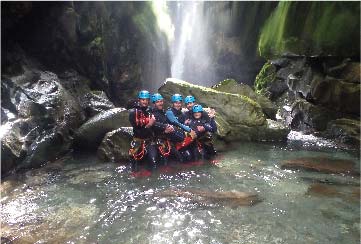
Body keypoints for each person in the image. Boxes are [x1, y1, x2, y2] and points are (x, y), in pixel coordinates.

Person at [128, 90, 159, 172]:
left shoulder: (150, 111)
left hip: (149, 141)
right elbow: (139, 131)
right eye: (143, 100)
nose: (145, 102)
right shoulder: (133, 113)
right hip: (138, 141)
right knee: (134, 163)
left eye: (147, 100)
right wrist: (149, 125)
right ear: (139, 100)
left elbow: (159, 119)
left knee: (154, 161)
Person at [151, 93, 185, 163]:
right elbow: (151, 129)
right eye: (157, 102)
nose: (160, 103)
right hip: (157, 142)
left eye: (161, 101)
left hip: (167, 141)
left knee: (180, 159)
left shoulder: (164, 112)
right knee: (164, 160)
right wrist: (164, 131)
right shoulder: (152, 114)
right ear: (154, 104)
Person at [166, 94, 196, 162]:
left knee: (189, 156)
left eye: (179, 103)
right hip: (172, 140)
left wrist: (185, 124)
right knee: (181, 159)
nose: (178, 104)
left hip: (181, 139)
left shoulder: (182, 114)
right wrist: (189, 129)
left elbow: (181, 124)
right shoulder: (169, 112)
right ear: (173, 103)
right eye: (176, 103)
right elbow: (176, 123)